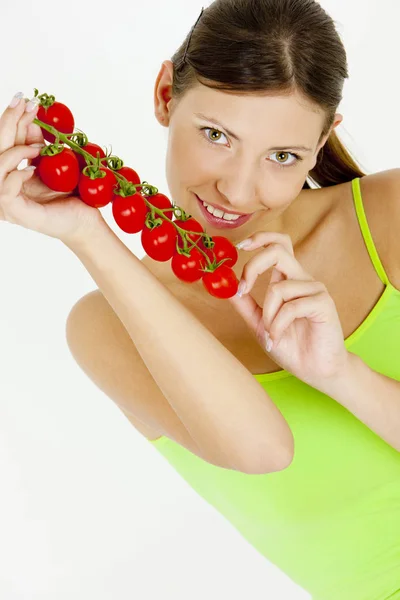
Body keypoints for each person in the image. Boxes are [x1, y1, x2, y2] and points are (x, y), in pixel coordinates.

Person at [1, 1, 399, 598]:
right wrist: (87, 233)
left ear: (322, 142)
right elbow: (262, 450)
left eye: (283, 156)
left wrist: (342, 374)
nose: (238, 190)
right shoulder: (106, 327)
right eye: (216, 135)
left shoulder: (389, 217)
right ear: (165, 95)